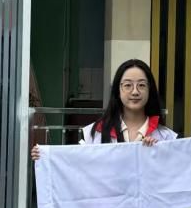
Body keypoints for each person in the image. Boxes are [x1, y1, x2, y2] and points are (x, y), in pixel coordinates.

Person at [30, 59, 176, 160]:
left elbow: (174, 176)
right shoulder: (95, 133)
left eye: (142, 85)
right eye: (127, 85)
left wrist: (159, 155)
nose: (135, 91)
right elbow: (77, 165)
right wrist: (47, 156)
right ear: (117, 91)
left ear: (150, 90)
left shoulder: (166, 138)